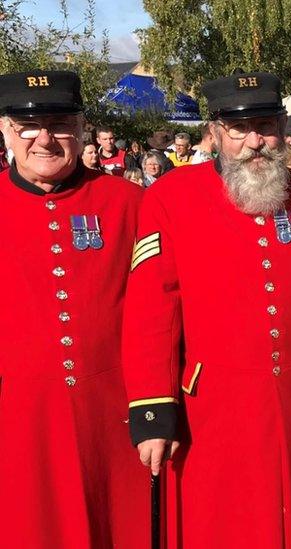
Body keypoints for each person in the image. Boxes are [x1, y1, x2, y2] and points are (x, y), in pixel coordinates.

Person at [121, 71, 291, 548]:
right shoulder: (171, 198)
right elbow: (151, 311)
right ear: (214, 131)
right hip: (212, 410)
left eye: (266, 126)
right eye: (238, 129)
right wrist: (151, 408)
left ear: (284, 128)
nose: (254, 142)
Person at [0, 69, 148, 547]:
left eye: (60, 124)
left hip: (113, 414)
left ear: (83, 128)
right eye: (27, 125)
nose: (44, 138)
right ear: (5, 129)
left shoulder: (128, 202)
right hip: (19, 416)